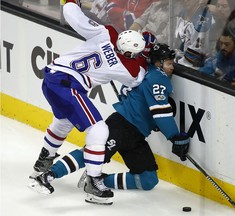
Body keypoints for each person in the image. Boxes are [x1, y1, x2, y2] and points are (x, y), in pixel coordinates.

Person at [28, 0, 155, 205]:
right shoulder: (128, 67)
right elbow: (139, 77)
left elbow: (74, 16)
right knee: (99, 130)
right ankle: (94, 182)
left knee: (62, 122)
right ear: (132, 53)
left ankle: (43, 162)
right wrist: (146, 56)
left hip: (51, 77)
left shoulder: (108, 33)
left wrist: (70, 2)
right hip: (69, 85)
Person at [28, 43, 190, 201]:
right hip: (121, 126)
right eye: (169, 63)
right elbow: (160, 112)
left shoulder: (145, 72)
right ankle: (48, 176)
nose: (172, 67)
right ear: (158, 63)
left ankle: (98, 181)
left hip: (136, 135)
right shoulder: (158, 77)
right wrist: (174, 136)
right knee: (91, 154)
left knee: (148, 179)